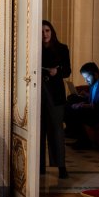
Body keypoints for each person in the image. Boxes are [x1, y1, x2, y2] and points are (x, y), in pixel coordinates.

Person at [64, 62, 99, 149]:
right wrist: (83, 102)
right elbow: (92, 100)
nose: (86, 81)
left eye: (87, 77)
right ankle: (73, 132)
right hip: (92, 109)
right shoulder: (94, 84)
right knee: (68, 106)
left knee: (78, 111)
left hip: (98, 114)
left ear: (96, 74)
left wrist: (84, 106)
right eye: (84, 78)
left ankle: (84, 141)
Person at [40, 20, 70, 179]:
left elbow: (67, 72)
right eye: (42, 31)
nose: (44, 34)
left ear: (52, 32)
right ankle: (39, 167)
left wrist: (56, 72)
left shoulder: (62, 49)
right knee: (39, 131)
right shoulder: (35, 49)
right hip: (39, 94)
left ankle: (61, 167)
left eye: (47, 30)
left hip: (56, 95)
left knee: (57, 131)